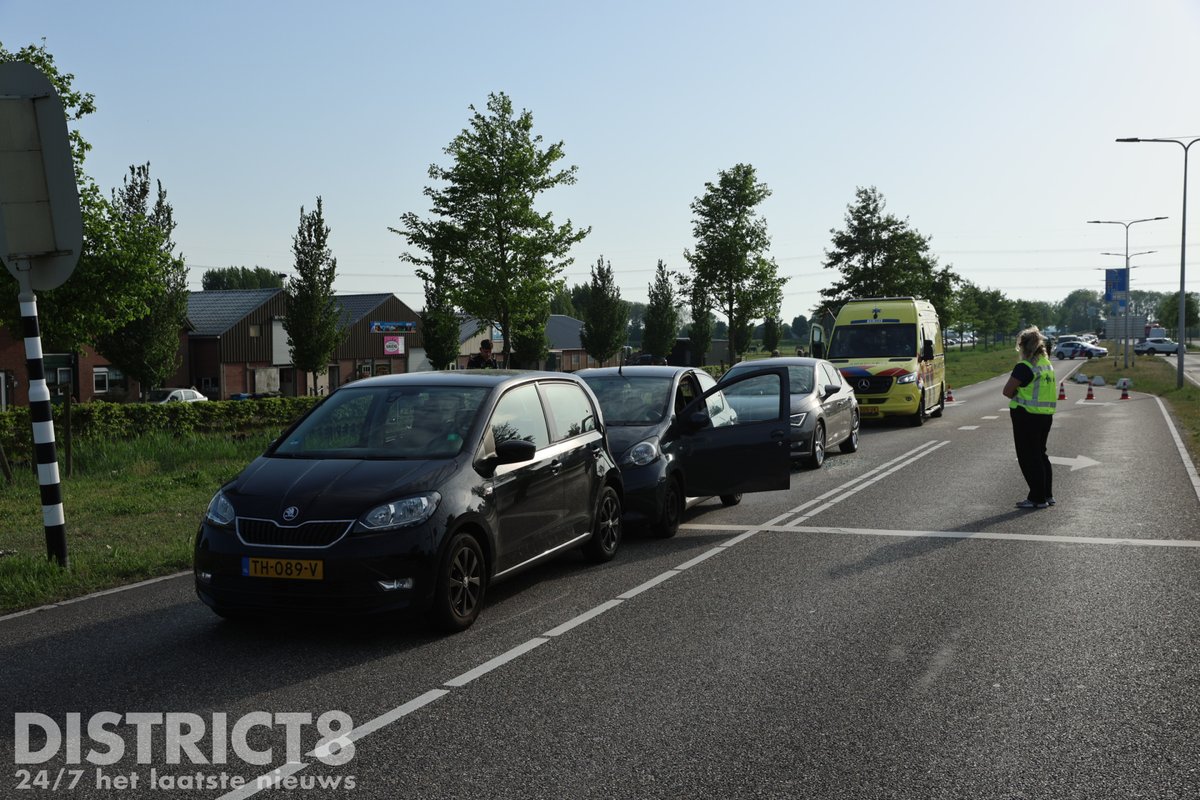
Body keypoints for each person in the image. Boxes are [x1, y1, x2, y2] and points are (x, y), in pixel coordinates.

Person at [1002, 326, 1057, 509]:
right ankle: (1047, 495)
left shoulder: (1024, 367)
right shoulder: (1046, 364)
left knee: (1028, 457)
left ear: (1023, 346)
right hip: (1045, 416)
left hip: (1026, 416)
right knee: (1040, 455)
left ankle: (1037, 497)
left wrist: (1018, 397)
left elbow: (1007, 391)